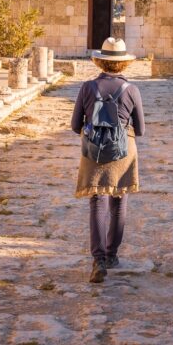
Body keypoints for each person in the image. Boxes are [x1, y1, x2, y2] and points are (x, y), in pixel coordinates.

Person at [71, 37, 145, 283]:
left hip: (94, 152)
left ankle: (98, 260)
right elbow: (141, 129)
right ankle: (112, 255)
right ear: (123, 64)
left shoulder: (87, 87)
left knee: (97, 202)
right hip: (123, 152)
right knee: (118, 201)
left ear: (101, 62)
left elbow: (74, 126)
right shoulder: (131, 90)